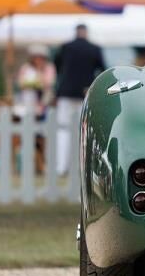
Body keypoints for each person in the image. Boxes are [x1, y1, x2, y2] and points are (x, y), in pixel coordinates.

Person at [54, 24, 106, 175]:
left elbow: (57, 66)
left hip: (65, 92)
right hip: (85, 92)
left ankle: (61, 166)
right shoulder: (94, 48)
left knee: (63, 129)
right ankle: (81, 166)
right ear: (86, 32)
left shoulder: (66, 47)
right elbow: (102, 69)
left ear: (76, 32)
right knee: (83, 130)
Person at [16, 44, 56, 121]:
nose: (38, 60)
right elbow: (20, 83)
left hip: (43, 99)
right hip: (28, 99)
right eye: (36, 57)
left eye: (40, 57)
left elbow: (49, 83)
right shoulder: (26, 68)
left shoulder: (49, 68)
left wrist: (39, 72)